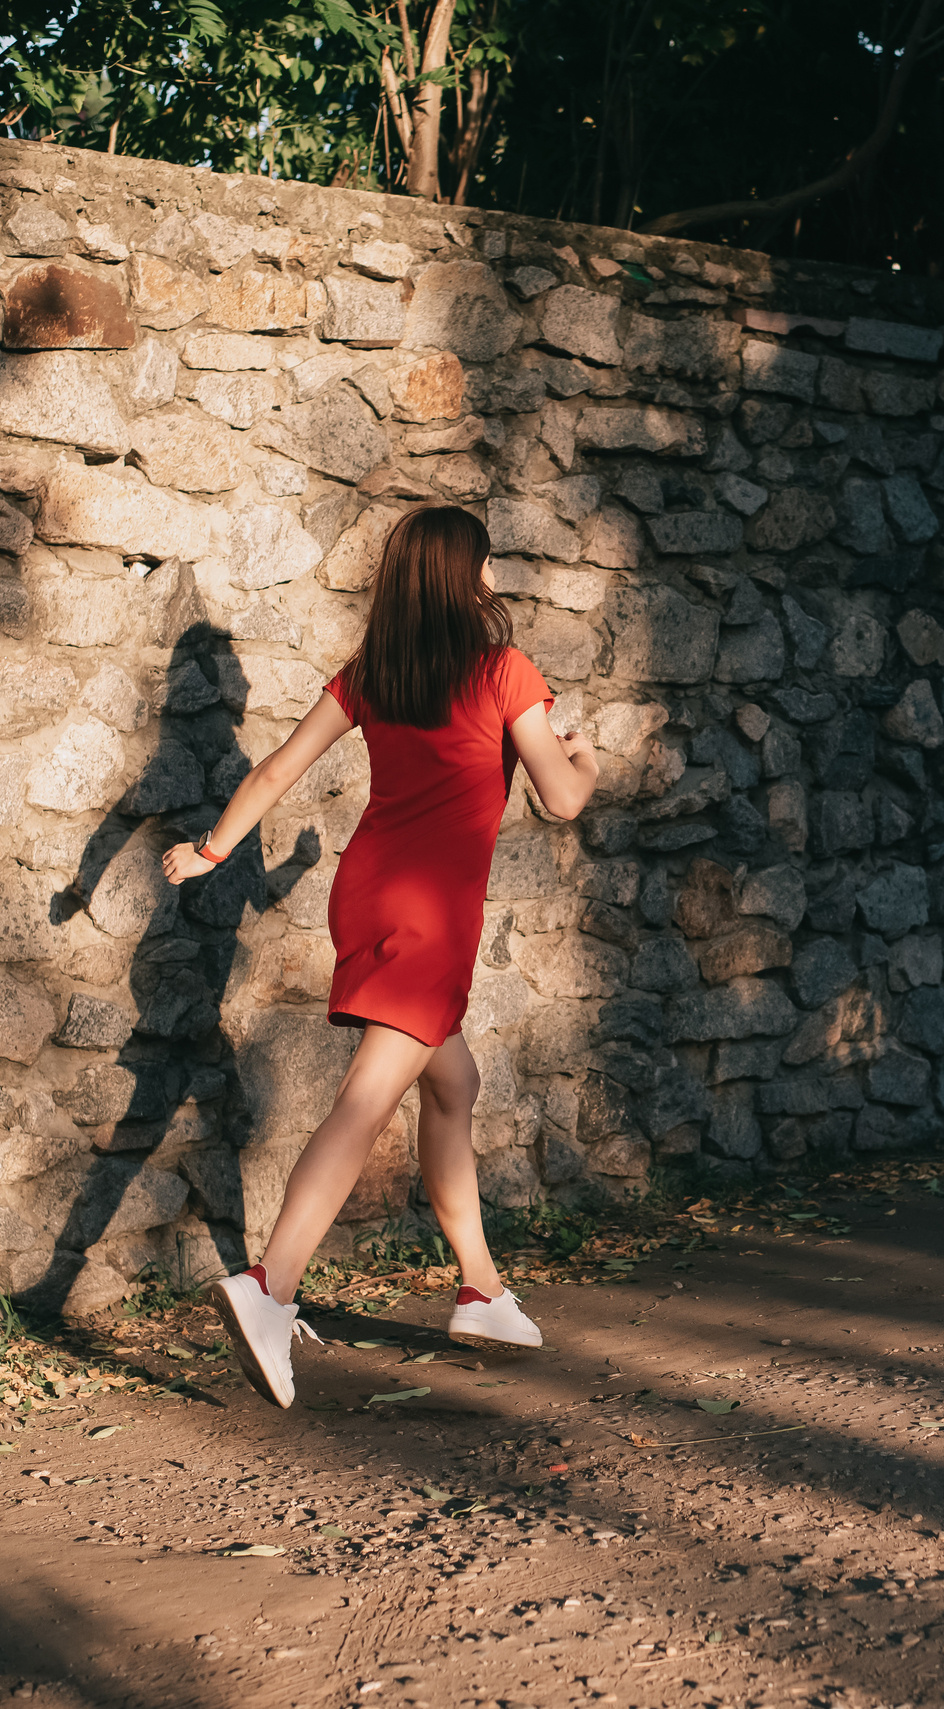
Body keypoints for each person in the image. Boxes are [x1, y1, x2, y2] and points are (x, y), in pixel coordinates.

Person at [163, 504, 600, 1408]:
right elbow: (560, 800)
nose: (493, 574)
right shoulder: (505, 670)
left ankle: (479, 1287)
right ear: (464, 576)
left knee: (452, 1084)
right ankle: (270, 1285)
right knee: (365, 1100)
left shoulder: (376, 672)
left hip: (367, 895)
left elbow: (279, 766)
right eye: (485, 561)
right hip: (432, 917)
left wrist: (212, 848)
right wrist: (584, 757)